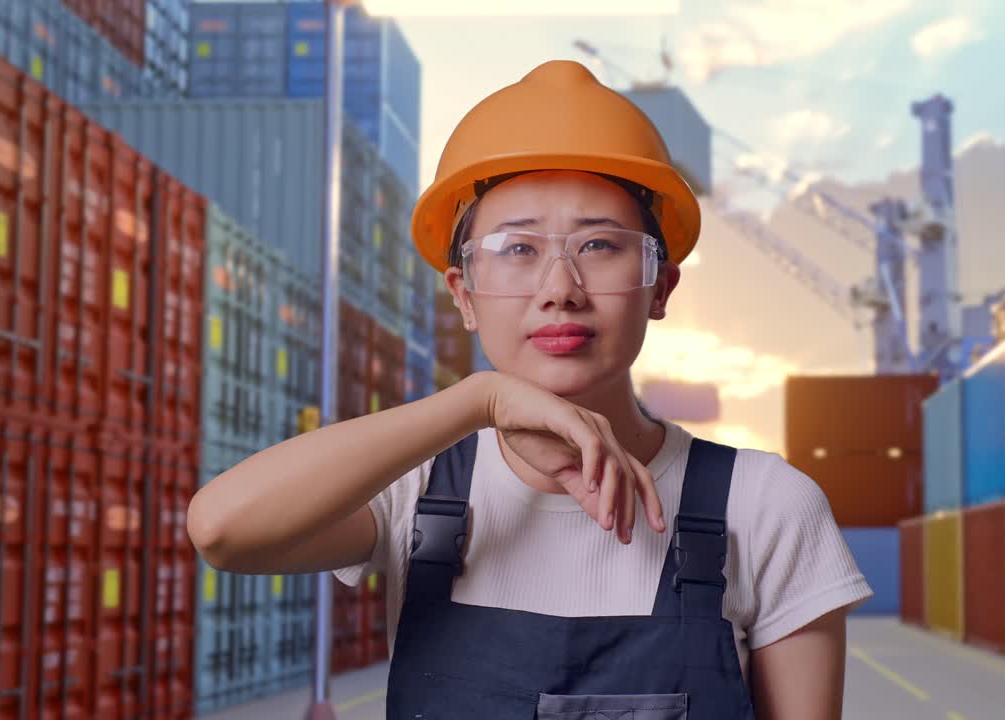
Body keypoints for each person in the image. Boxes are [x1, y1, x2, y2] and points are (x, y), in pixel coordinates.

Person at [188, 60, 873, 719]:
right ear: (463, 295)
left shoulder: (766, 508)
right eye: (518, 250)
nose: (559, 291)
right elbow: (221, 530)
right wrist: (479, 399)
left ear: (658, 287)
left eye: (600, 246)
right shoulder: (415, 492)